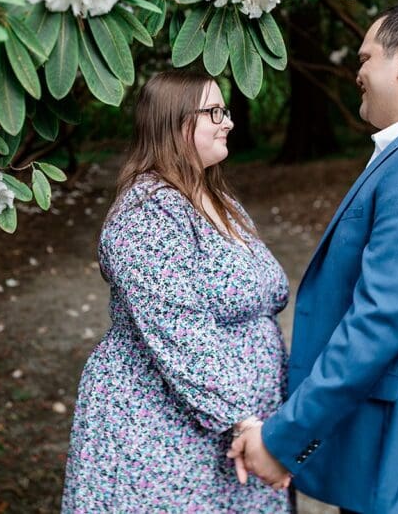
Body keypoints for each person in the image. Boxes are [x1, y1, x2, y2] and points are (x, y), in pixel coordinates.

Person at [229, 0, 398, 514]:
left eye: (364, 58)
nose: (356, 72)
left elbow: (380, 320)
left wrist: (282, 438)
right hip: (388, 448)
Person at [61, 71, 292, 513]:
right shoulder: (147, 212)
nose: (228, 122)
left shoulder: (216, 198)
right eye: (214, 113)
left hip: (234, 428)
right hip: (163, 432)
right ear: (174, 123)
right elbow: (180, 332)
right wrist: (241, 419)